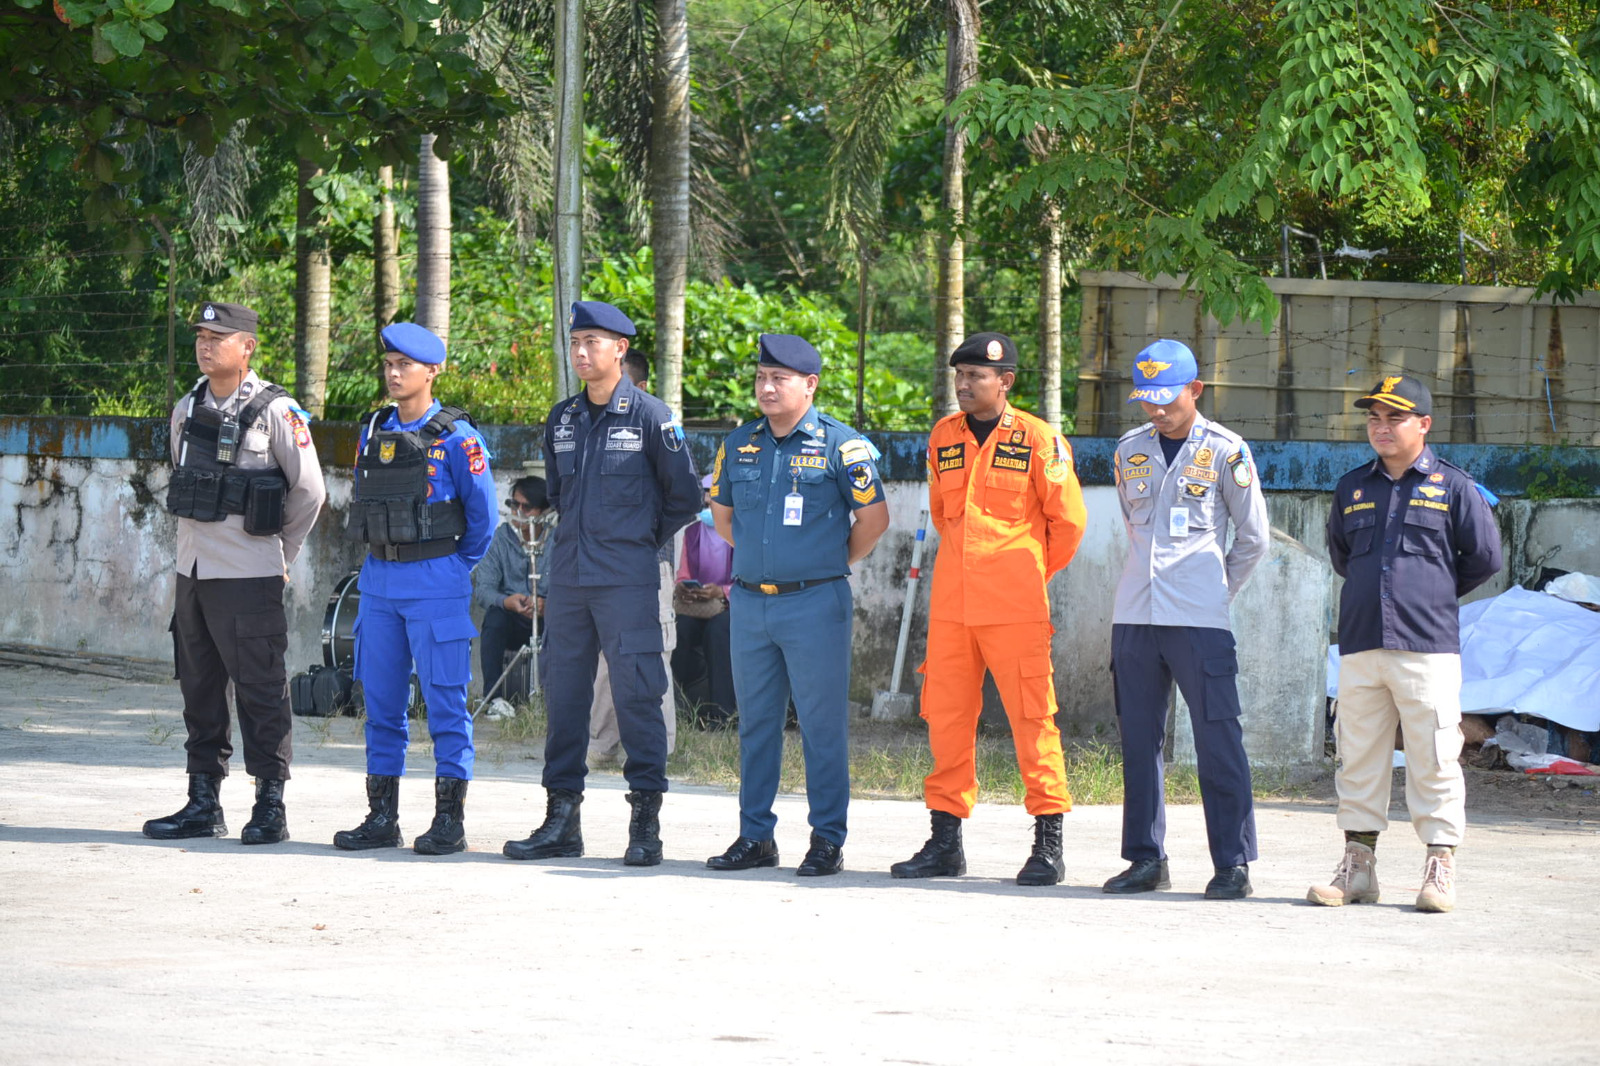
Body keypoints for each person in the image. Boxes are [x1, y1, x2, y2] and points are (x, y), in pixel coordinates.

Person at [503, 301, 700, 867]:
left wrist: (636, 539)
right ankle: (561, 821)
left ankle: (645, 824)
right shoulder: (562, 419)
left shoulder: (651, 417)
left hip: (627, 580)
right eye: (575, 342)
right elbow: (559, 493)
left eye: (593, 341)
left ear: (620, 348)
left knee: (638, 695)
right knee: (565, 696)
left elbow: (685, 497)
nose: (581, 352)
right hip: (570, 578)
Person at [890, 332, 1088, 886]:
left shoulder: (1039, 439)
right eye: (960, 375)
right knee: (947, 719)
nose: (964, 384)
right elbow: (942, 513)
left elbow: (1068, 523)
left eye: (975, 375)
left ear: (1006, 382)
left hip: (1016, 606)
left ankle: (1047, 844)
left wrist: (1026, 573)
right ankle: (945, 843)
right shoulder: (944, 436)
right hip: (952, 608)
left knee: (1032, 719)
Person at [1311, 374, 1501, 912]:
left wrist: (1430, 593)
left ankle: (1439, 867)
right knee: (1357, 755)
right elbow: (1343, 557)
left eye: (1395, 417)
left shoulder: (1454, 487)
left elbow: (1484, 558)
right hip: (1362, 643)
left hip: (1426, 644)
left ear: (1424, 424)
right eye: (1374, 418)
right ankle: (1358, 868)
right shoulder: (1352, 487)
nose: (1381, 427)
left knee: (1435, 756)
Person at [704, 333, 890, 877]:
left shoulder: (842, 446)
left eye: (779, 379)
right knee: (756, 725)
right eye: (761, 377)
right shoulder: (739, 443)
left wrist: (825, 562)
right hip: (751, 605)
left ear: (809, 385)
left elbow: (874, 520)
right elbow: (723, 518)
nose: (766, 387)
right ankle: (755, 836)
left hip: (815, 604)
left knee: (820, 726)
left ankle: (827, 839)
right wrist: (765, 564)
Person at [145, 300, 327, 845]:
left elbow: (310, 491)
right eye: (201, 337)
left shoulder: (277, 411)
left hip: (249, 575)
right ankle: (203, 801)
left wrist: (280, 556)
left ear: (246, 347)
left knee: (261, 690)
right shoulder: (186, 408)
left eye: (217, 338)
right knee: (199, 688)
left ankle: (270, 804)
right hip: (193, 572)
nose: (205, 346)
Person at [1101, 338, 1270, 900]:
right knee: (1138, 741)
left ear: (1196, 390)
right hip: (1135, 615)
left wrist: (1216, 593)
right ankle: (1146, 858)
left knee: (1218, 739)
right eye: (1147, 399)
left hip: (1199, 620)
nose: (1157, 410)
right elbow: (1134, 526)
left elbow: (1253, 538)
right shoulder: (1129, 450)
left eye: (1167, 398)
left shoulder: (1226, 451)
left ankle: (1232, 864)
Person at [333, 322, 497, 856]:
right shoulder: (374, 429)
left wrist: (450, 567)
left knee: (446, 703)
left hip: (435, 583)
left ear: (433, 371)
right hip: (379, 582)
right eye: (389, 364)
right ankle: (382, 817)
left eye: (405, 365)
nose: (394, 373)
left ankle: (449, 821)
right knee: (381, 703)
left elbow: (483, 519)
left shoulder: (458, 438)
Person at [588, 346, 680, 763]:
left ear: (639, 386)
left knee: (651, 655)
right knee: (606, 656)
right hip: (600, 566)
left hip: (647, 564)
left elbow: (681, 499)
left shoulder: (659, 426)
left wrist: (642, 545)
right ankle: (601, 744)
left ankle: (656, 747)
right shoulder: (588, 427)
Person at [473, 475, 550, 716]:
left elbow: (573, 589)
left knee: (570, 622)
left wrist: (550, 605)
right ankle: (494, 699)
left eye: (527, 507)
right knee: (495, 618)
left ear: (544, 511)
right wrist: (506, 602)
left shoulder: (558, 540)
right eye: (514, 505)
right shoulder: (500, 538)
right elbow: (483, 589)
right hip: (513, 617)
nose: (518, 512)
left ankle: (555, 700)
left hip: (549, 619)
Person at [672, 474, 737, 728]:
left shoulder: (740, 532)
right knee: (680, 629)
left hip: (733, 604)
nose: (708, 503)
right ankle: (685, 708)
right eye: (706, 497)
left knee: (719, 631)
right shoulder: (692, 533)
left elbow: (749, 579)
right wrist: (685, 588)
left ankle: (722, 715)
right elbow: (684, 573)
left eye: (714, 498)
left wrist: (721, 592)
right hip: (700, 605)